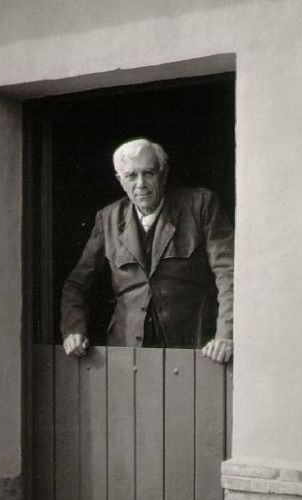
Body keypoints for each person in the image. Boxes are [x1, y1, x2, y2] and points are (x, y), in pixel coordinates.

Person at [60, 138, 234, 363]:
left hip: (194, 349)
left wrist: (226, 335)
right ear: (120, 180)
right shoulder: (108, 218)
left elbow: (229, 273)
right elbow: (76, 283)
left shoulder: (200, 205)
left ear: (164, 173)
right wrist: (74, 329)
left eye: (148, 173)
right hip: (127, 353)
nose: (140, 184)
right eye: (131, 176)